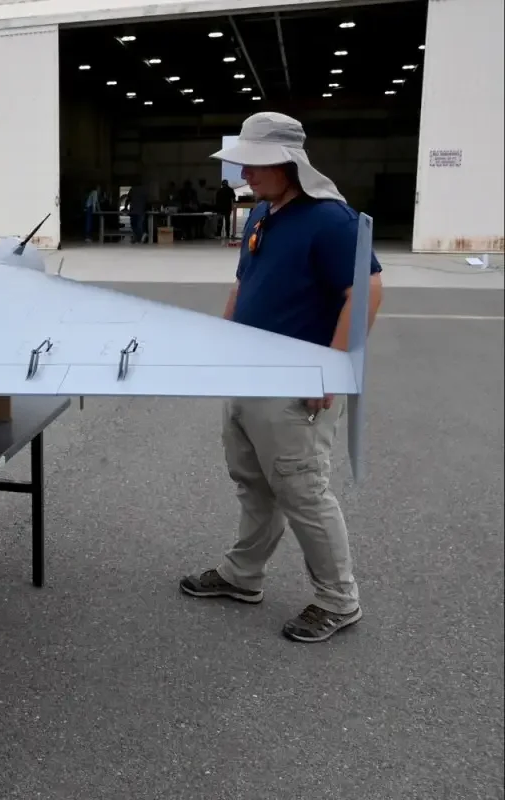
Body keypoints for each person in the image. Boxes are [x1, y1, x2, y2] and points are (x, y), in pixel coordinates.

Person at [179, 111, 384, 644]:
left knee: (302, 490)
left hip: (295, 383)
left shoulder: (331, 221)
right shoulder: (261, 214)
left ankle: (338, 599)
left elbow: (366, 291)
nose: (244, 173)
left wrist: (332, 369)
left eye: (254, 163)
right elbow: (243, 284)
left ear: (289, 163)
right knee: (253, 482)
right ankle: (242, 575)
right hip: (249, 376)